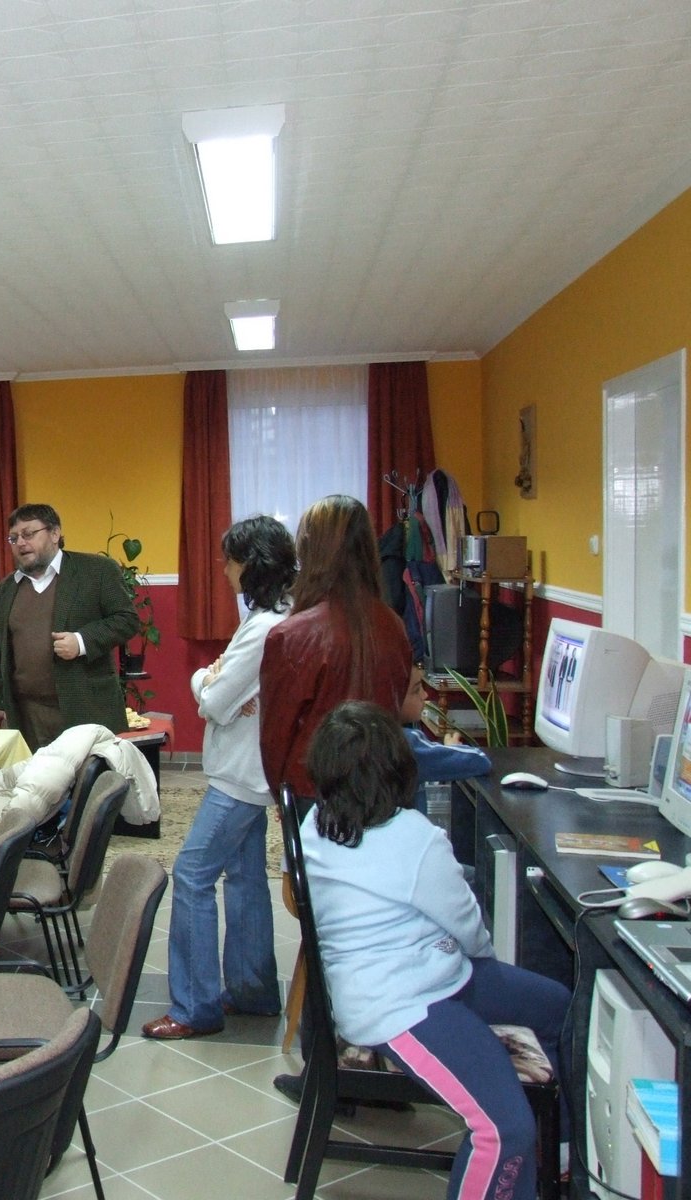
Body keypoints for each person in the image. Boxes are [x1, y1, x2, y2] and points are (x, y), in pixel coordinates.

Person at [301, 702, 569, 1200]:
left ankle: (552, 1162)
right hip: (402, 1007)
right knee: (503, 1129)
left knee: (557, 1006)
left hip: (411, 979)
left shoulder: (316, 823)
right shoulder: (414, 839)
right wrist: (479, 963)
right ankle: (535, 1154)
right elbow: (468, 927)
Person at [144, 515, 296, 1040]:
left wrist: (203, 679)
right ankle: (253, 991)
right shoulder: (276, 616)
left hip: (239, 777)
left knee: (191, 875)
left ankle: (194, 1007)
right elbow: (224, 696)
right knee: (247, 878)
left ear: (251, 565)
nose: (225, 570)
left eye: (230, 561)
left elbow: (213, 702)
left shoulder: (263, 628)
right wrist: (212, 682)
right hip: (252, 772)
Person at [259, 494, 413, 800]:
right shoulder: (394, 626)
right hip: (378, 791)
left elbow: (275, 739)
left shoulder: (290, 635)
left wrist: (284, 798)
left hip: (313, 791)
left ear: (310, 551)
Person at [0, 503, 137, 750]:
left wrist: (81, 642)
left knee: (88, 776)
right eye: (13, 538)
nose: (20, 543)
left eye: (28, 534)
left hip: (85, 710)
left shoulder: (96, 571)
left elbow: (127, 620)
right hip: (27, 717)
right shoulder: (5, 590)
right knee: (34, 776)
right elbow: (1, 653)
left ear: (55, 534)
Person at [400, 664, 491, 813]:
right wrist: (452, 749)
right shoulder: (406, 744)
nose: (425, 695)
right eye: (416, 690)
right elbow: (480, 761)